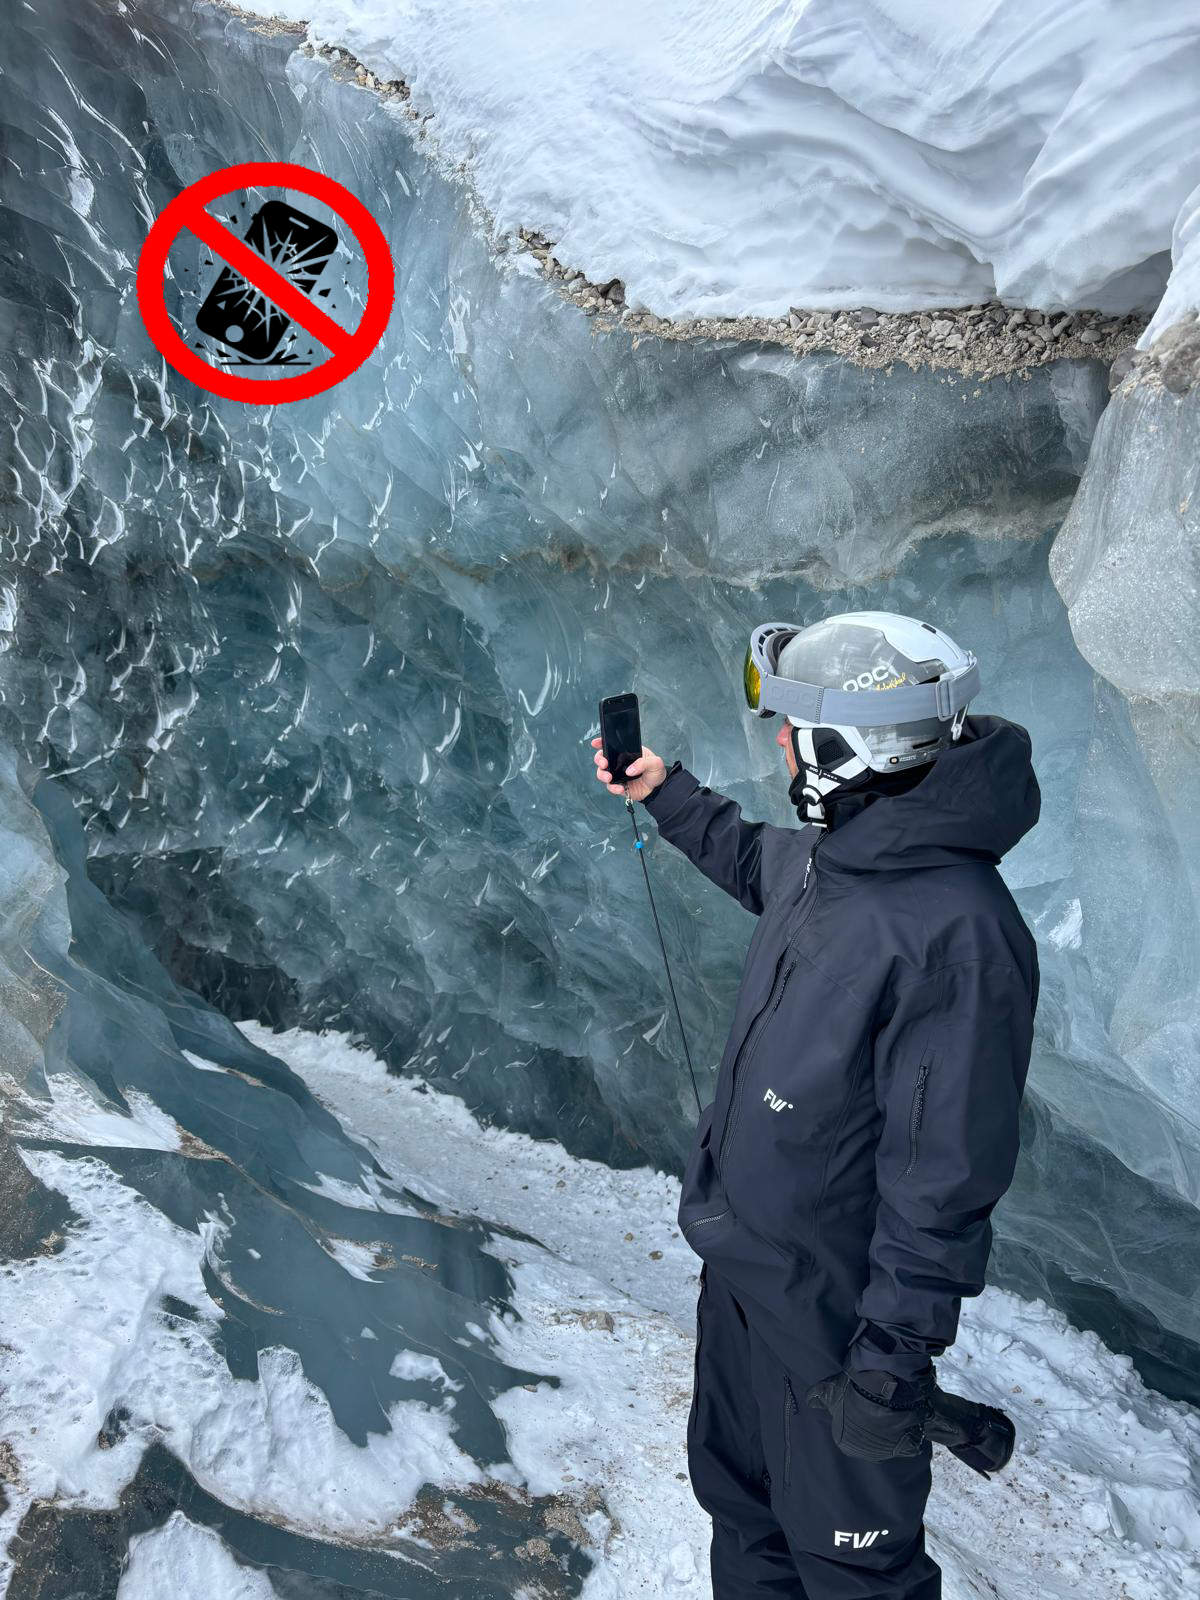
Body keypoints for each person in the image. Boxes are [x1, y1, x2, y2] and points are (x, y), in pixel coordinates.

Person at [591, 611, 1040, 1599]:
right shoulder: (833, 860)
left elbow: (944, 1181)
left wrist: (890, 1366)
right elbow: (755, 858)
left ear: (856, 743)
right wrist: (664, 793)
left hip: (836, 1334)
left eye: (794, 723)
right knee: (742, 1515)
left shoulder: (956, 932)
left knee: (849, 1572)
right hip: (747, 1287)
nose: (783, 742)